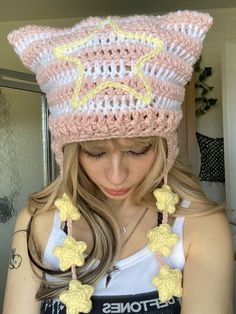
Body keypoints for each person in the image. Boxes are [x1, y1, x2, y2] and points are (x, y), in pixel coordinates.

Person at [3, 10, 234, 314]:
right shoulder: (37, 223)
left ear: (166, 145)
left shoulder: (200, 228)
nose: (116, 175)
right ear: (68, 151)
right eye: (95, 152)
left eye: (138, 150)